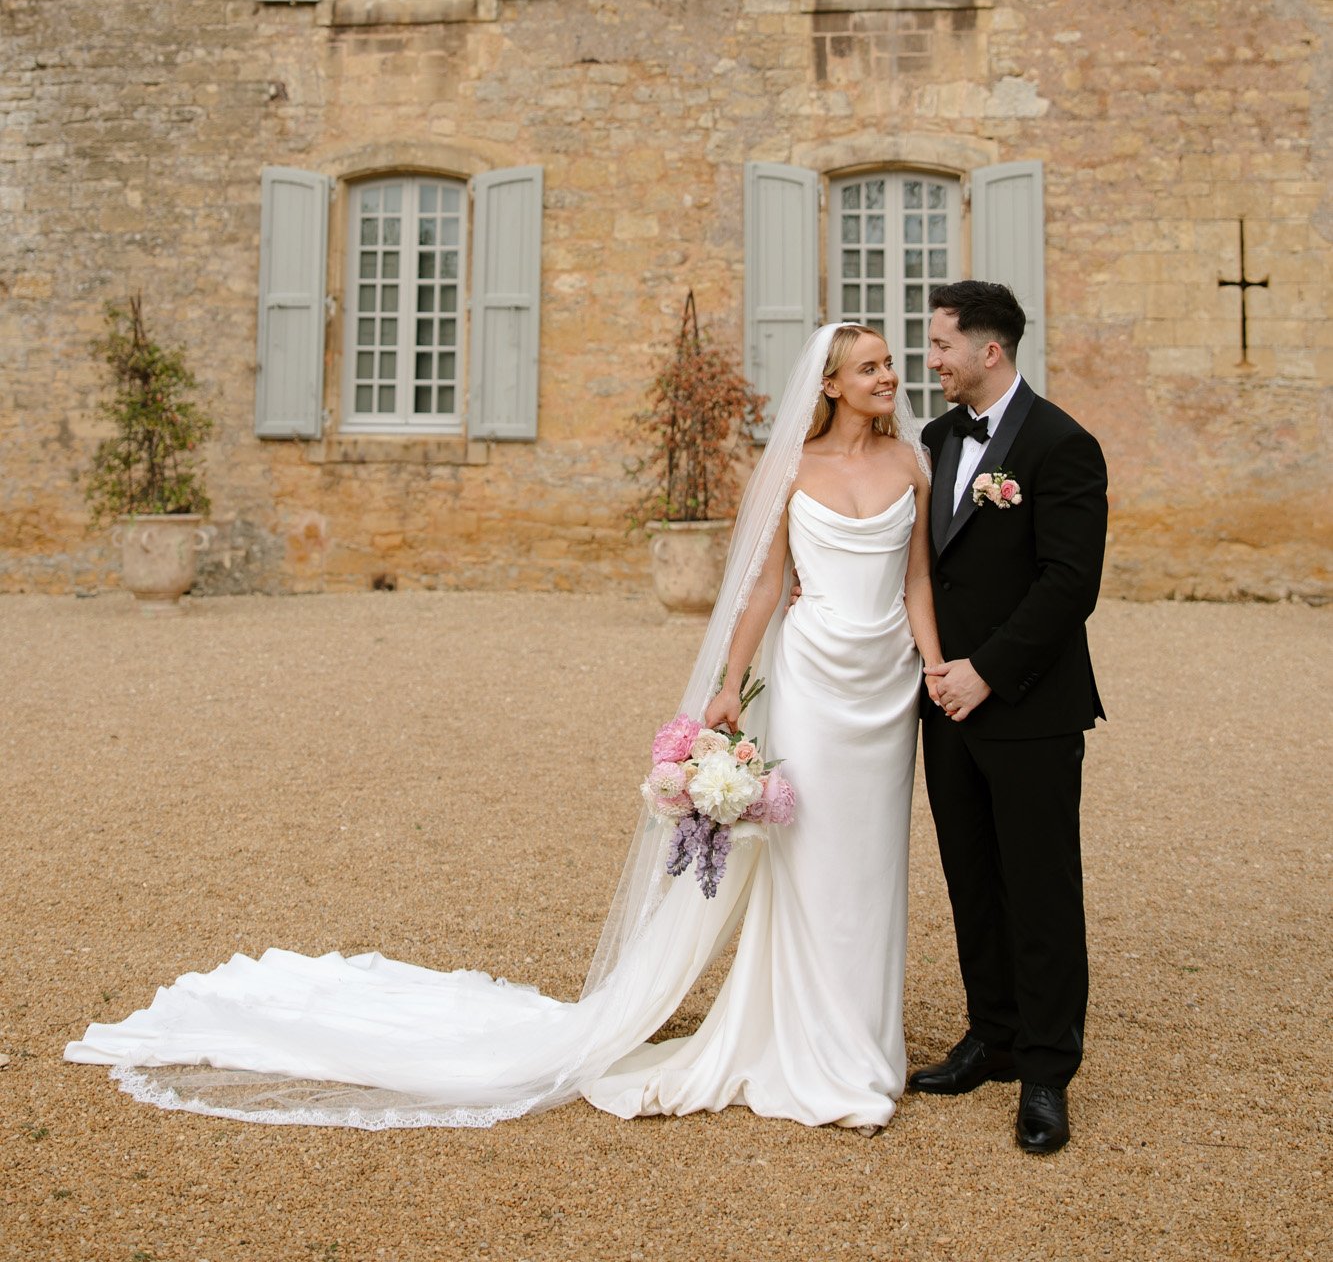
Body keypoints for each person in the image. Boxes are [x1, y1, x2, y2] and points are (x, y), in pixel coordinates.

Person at [65, 323, 943, 1134]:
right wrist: (724, 689)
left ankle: (865, 1042)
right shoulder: (788, 469)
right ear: (828, 384)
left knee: (871, 864)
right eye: (868, 367)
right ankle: (815, 1052)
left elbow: (917, 584)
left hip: (883, 687)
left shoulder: (911, 462)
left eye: (888, 364)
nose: (888, 376)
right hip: (810, 683)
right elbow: (760, 588)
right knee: (812, 859)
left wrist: (933, 666)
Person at [912, 280, 1107, 1156]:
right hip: (942, 703)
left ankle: (1044, 1071)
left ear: (988, 351)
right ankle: (989, 1034)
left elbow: (1070, 584)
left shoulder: (1064, 445)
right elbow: (925, 565)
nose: (930, 358)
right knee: (970, 879)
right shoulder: (936, 436)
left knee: (1039, 887)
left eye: (940, 344)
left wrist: (985, 673)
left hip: (1025, 704)